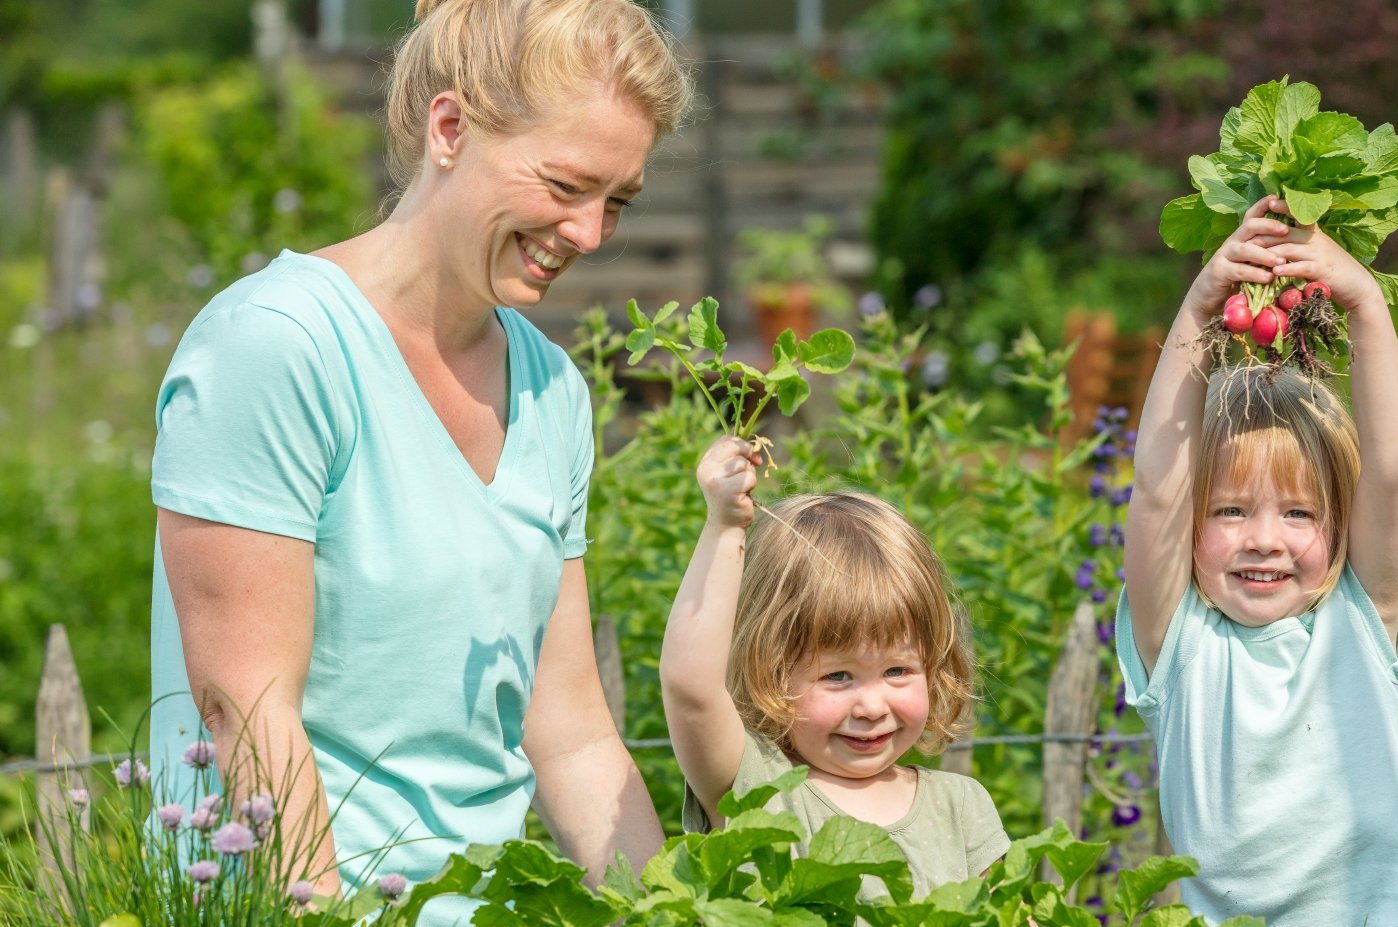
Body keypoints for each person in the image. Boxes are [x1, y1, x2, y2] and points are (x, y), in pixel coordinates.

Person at [147, 0, 691, 920]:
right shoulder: (276, 347)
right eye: (566, 185)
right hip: (291, 902)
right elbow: (247, 709)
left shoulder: (553, 391)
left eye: (617, 201)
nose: (591, 234)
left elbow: (568, 731)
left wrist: (674, 911)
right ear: (450, 128)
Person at [1117, 195, 1398, 924]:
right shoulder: (1179, 642)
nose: (1263, 538)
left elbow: (1393, 471)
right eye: (1229, 511)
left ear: (1342, 525)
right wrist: (1201, 305)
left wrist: (1362, 300)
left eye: (1298, 513)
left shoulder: (1360, 616)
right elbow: (1157, 489)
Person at [661, 437, 1009, 899]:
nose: (870, 705)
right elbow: (691, 689)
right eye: (837, 676)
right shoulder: (757, 786)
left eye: (898, 671)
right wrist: (724, 530)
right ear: (771, 671)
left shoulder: (961, 808)